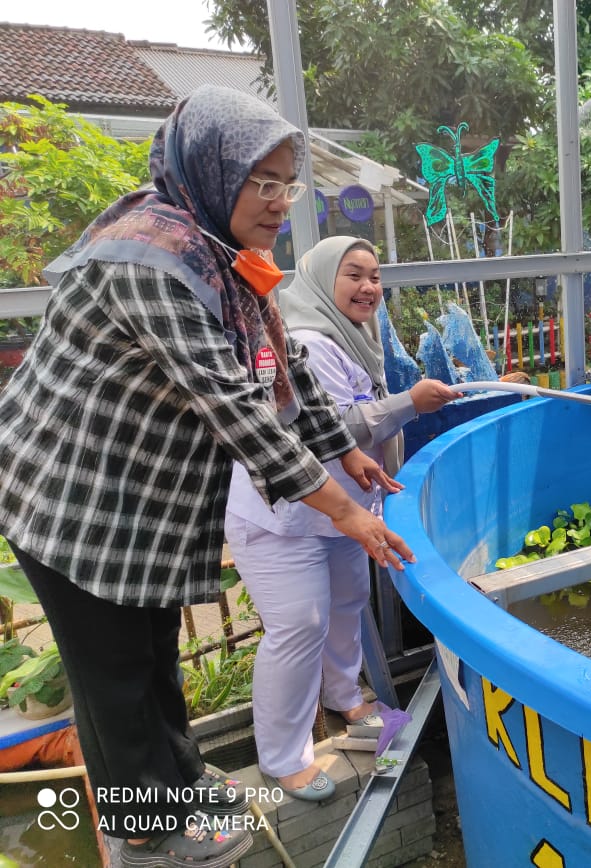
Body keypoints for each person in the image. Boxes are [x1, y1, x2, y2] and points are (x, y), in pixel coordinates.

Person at [0, 86, 413, 868]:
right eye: (263, 182)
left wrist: (346, 451)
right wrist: (345, 512)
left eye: (286, 184)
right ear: (213, 169)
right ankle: (148, 829)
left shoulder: (226, 261)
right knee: (114, 681)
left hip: (133, 505)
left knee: (155, 653)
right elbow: (234, 407)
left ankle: (183, 781)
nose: (278, 203)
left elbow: (283, 370)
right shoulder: (153, 258)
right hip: (68, 498)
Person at [225, 236, 458, 800]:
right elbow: (328, 425)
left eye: (375, 276)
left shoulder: (354, 339)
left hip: (343, 512)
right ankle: (284, 758)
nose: (368, 287)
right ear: (321, 280)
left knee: (349, 602)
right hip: (285, 516)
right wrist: (408, 403)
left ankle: (345, 698)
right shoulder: (305, 339)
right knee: (298, 627)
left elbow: (342, 430)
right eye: (353, 275)